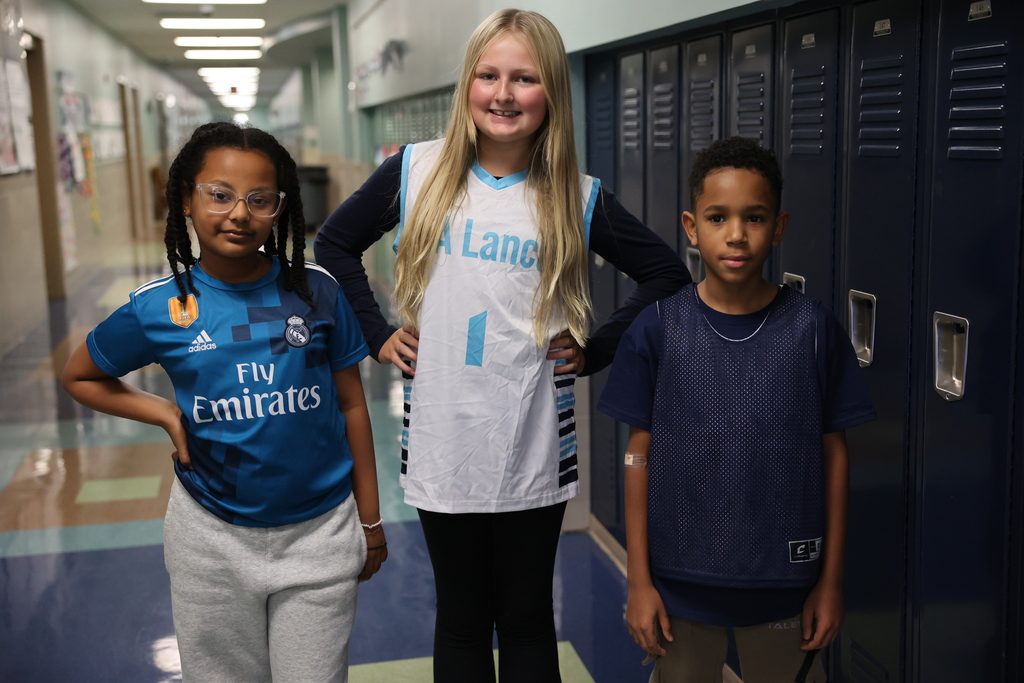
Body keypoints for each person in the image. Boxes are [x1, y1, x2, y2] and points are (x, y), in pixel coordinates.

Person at [314, 9, 689, 682]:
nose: (504, 93)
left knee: (524, 613)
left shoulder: (575, 196)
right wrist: (376, 333)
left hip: (532, 431)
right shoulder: (417, 170)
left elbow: (666, 272)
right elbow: (334, 243)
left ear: (552, 94)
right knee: (460, 614)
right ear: (467, 85)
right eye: (488, 75)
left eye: (524, 78)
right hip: (443, 429)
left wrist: (597, 346)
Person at [62, 122, 387, 682]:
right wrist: (163, 412)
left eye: (259, 200)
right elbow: (81, 375)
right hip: (209, 541)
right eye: (220, 195)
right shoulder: (161, 307)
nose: (239, 213)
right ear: (186, 197)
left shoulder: (316, 292)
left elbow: (353, 407)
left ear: (280, 208)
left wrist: (372, 520)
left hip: (321, 535)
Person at [598, 136, 876, 683]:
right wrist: (638, 582)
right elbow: (638, 455)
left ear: (779, 226)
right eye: (717, 217)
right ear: (690, 226)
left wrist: (831, 580)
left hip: (785, 584)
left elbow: (835, 457)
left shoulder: (814, 330)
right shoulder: (657, 329)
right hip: (680, 581)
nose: (736, 235)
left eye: (754, 217)